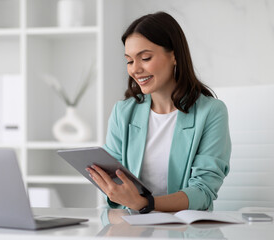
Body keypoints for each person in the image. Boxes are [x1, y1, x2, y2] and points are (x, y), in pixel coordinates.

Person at [86, 12, 231, 212]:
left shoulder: (211, 112)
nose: (135, 69)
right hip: (131, 225)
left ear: (174, 56)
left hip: (184, 229)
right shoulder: (123, 112)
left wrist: (145, 204)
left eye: (145, 58)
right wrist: (111, 188)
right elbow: (114, 184)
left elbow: (203, 191)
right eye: (129, 61)